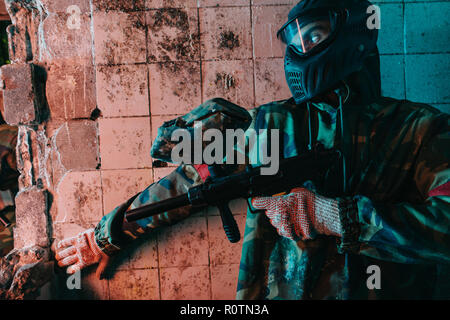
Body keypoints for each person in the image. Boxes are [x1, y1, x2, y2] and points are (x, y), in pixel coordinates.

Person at [54, 0, 450, 299]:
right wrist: (105, 236)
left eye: (313, 35)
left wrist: (339, 217)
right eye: (295, 40)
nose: (300, 49)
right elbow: (192, 184)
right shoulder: (272, 125)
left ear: (354, 33)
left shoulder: (418, 129)